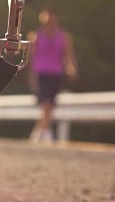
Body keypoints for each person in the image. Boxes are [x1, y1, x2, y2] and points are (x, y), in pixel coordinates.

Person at [27, 10, 78, 144]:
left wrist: (71, 67)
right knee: (46, 103)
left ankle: (39, 131)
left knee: (50, 104)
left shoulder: (63, 37)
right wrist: (32, 76)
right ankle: (45, 133)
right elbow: (32, 58)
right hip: (42, 73)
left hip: (56, 73)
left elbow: (68, 54)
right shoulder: (36, 36)